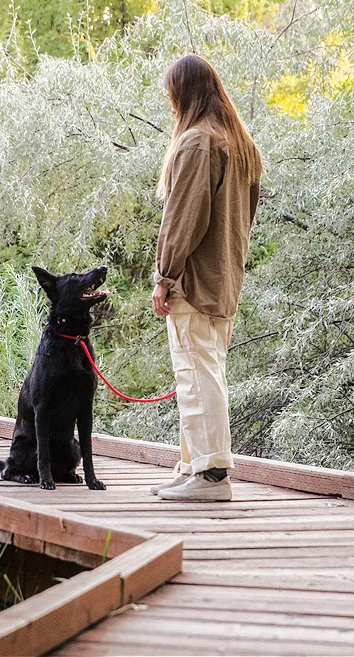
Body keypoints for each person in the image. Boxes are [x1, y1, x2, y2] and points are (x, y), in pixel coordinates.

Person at [148, 54, 262, 502]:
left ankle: (213, 475)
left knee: (197, 375)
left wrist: (164, 275)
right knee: (201, 373)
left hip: (194, 281)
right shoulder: (239, 144)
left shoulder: (198, 142)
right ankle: (193, 465)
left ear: (184, 93)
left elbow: (184, 219)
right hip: (224, 279)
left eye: (172, 94)